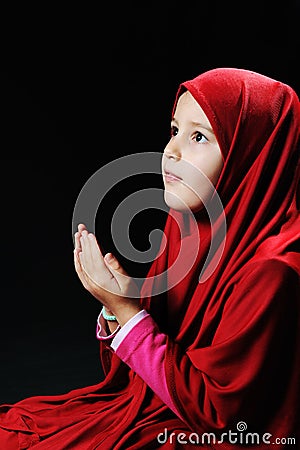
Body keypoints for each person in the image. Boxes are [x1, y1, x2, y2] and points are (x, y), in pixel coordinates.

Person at [0, 67, 299, 449]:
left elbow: (222, 418)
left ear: (252, 156)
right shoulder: (188, 228)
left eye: (199, 137)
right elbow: (142, 379)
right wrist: (119, 306)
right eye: (174, 131)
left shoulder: (274, 271)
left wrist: (128, 312)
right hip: (173, 414)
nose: (171, 151)